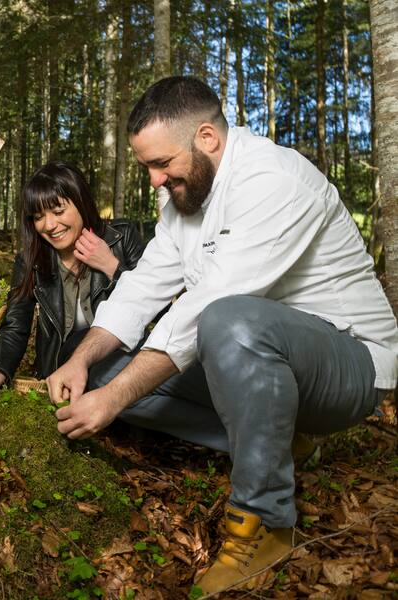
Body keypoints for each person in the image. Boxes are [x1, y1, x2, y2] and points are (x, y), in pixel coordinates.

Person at [47, 76, 398, 595]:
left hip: (350, 365)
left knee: (224, 321)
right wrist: (81, 360)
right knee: (105, 371)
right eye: (147, 166)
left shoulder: (274, 180)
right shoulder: (185, 203)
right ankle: (282, 444)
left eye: (161, 164)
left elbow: (207, 309)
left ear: (207, 138)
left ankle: (266, 519)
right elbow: (142, 289)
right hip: (258, 361)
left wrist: (113, 399)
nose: (154, 180)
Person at [0, 161, 144, 403]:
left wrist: (111, 266)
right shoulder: (31, 260)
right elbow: (15, 327)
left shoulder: (121, 238)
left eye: (58, 211)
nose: (50, 225)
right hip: (64, 378)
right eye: (39, 217)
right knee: (76, 343)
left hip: (123, 363)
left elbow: (157, 309)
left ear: (81, 202)